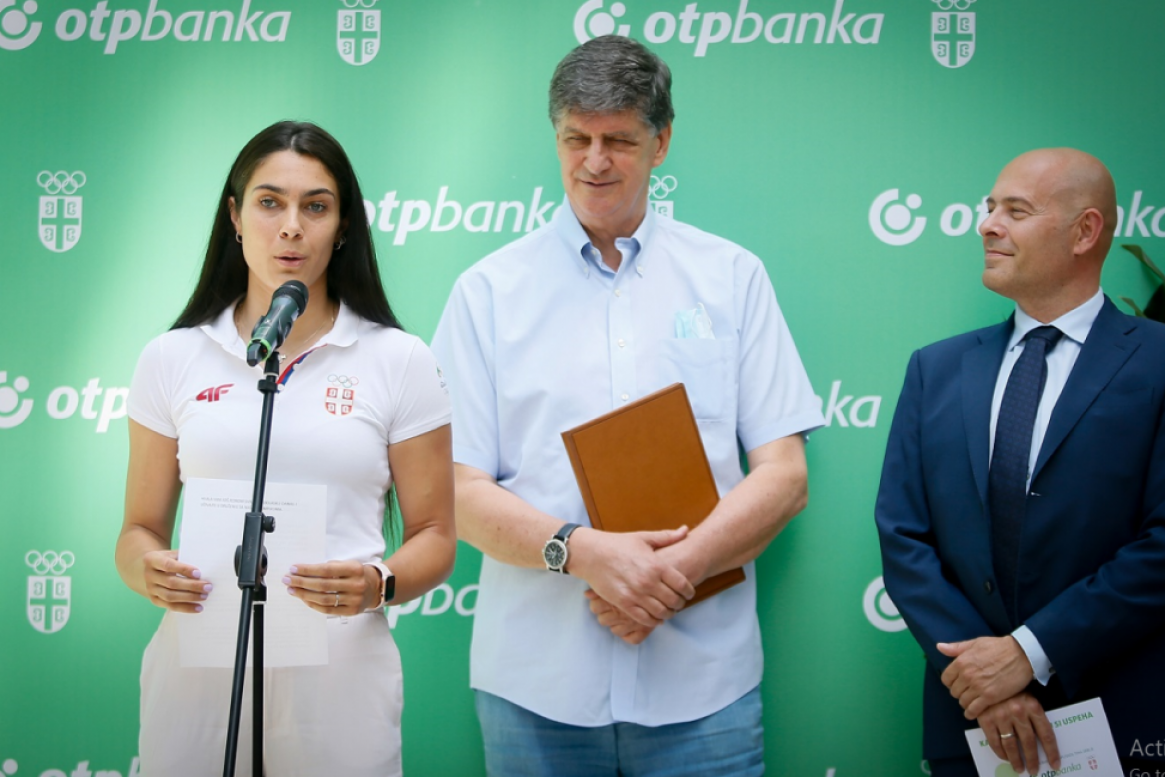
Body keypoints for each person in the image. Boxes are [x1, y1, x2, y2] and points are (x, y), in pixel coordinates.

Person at [430, 35, 823, 776]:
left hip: (704, 689)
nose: (594, 161)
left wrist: (672, 573)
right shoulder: (487, 293)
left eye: (618, 140)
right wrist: (580, 551)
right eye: (575, 139)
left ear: (661, 142)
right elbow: (454, 488)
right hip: (535, 690)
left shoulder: (731, 277)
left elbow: (785, 474)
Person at [114, 120, 456, 776]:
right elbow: (138, 530)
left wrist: (378, 583)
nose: (291, 227)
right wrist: (147, 569)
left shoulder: (398, 360)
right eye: (269, 202)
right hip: (197, 681)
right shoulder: (171, 357)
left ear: (344, 225)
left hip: (340, 687)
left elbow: (436, 534)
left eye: (315, 207)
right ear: (235, 217)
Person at [876, 148, 1165, 776]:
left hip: (1124, 719)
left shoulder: (1159, 361)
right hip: (972, 723)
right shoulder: (936, 369)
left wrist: (1029, 653)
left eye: (1016, 210)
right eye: (989, 208)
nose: (987, 225)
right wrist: (986, 679)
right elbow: (903, 536)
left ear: (1085, 232)